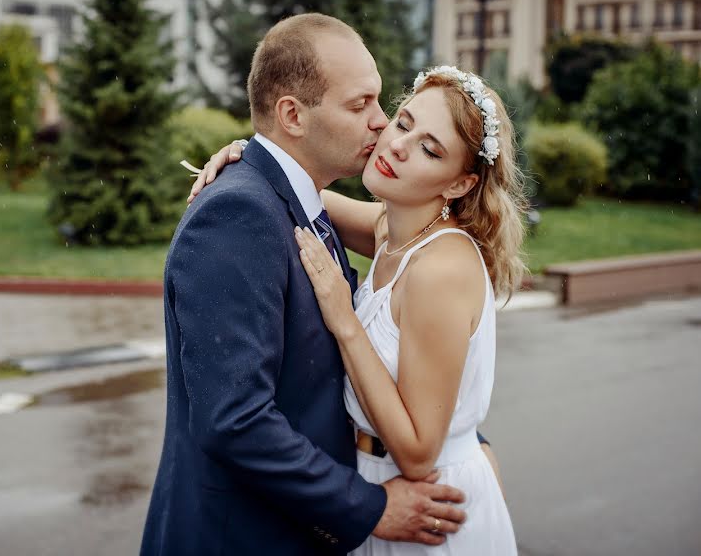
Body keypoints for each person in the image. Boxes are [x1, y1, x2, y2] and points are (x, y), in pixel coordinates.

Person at [141, 14, 474, 556]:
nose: (380, 122)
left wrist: (466, 443)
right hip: (241, 538)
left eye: (380, 101)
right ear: (292, 115)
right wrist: (369, 508)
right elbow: (236, 420)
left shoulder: (300, 199)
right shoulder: (236, 215)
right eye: (359, 104)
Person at [194, 64, 526, 554]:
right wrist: (250, 156)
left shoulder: (441, 267)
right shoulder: (391, 230)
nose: (398, 145)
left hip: (430, 508)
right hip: (375, 491)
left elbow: (416, 452)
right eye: (405, 122)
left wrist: (344, 320)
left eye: (430, 150)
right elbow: (295, 188)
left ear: (458, 185)